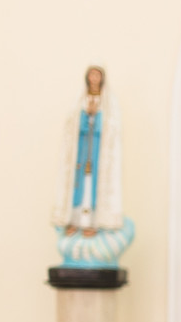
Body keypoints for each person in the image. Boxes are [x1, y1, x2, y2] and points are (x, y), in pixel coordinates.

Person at [52, 65, 134, 268]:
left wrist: (97, 117)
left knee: (94, 190)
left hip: (98, 155)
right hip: (81, 154)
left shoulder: (108, 104)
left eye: (98, 75)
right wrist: (84, 115)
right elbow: (71, 127)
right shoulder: (79, 102)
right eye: (92, 75)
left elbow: (112, 128)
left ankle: (93, 224)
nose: (94, 78)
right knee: (79, 189)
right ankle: (76, 222)